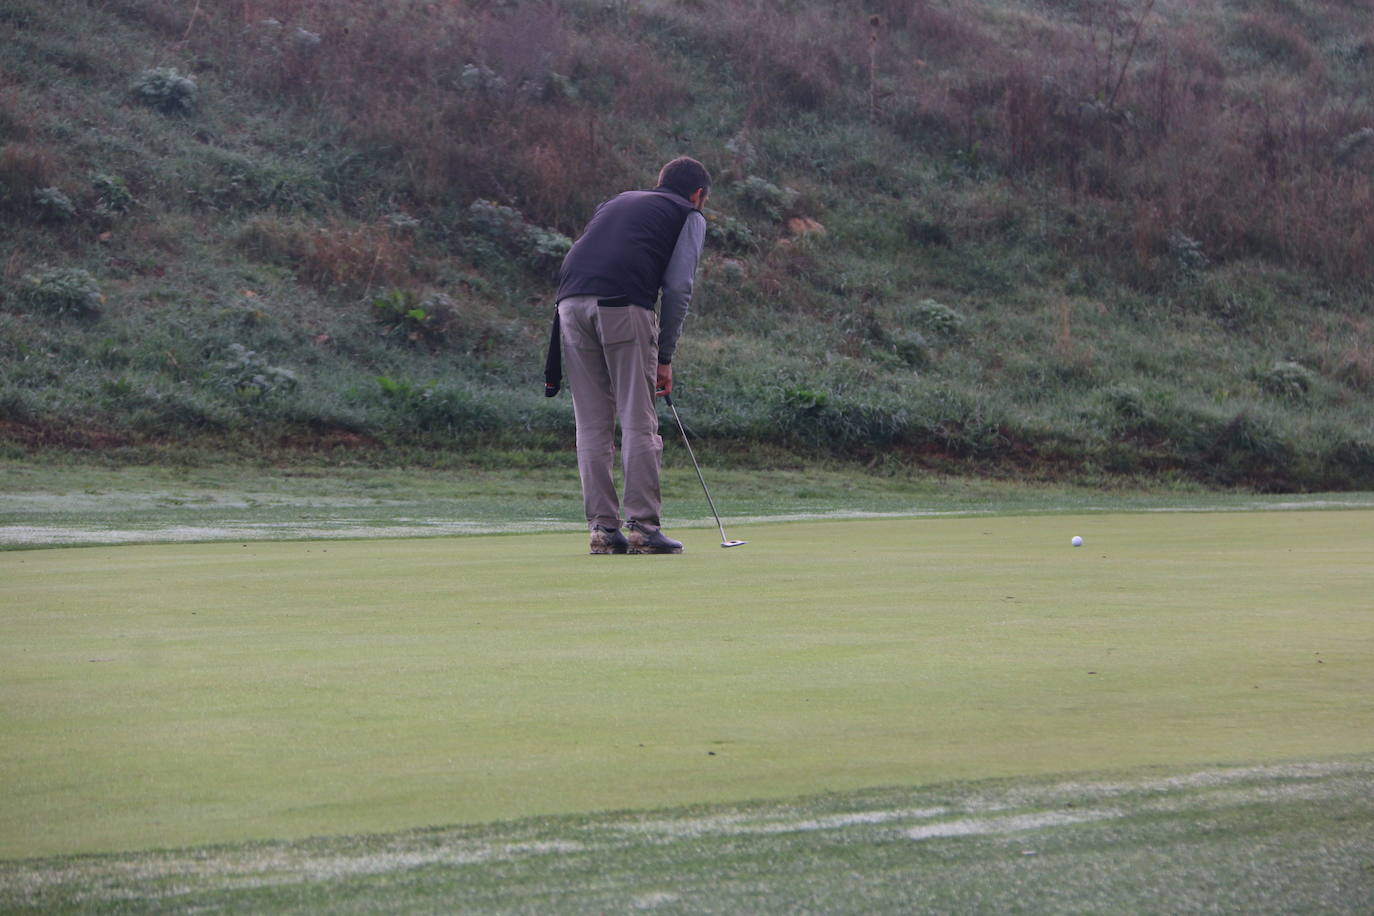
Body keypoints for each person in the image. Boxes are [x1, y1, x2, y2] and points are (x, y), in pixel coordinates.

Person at [554, 157, 710, 555]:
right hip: (624, 306)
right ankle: (643, 527)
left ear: (659, 182)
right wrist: (666, 355)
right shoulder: (689, 214)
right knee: (638, 418)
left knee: (591, 423)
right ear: (698, 194)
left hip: (569, 305)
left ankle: (604, 531)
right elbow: (678, 288)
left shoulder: (617, 201)